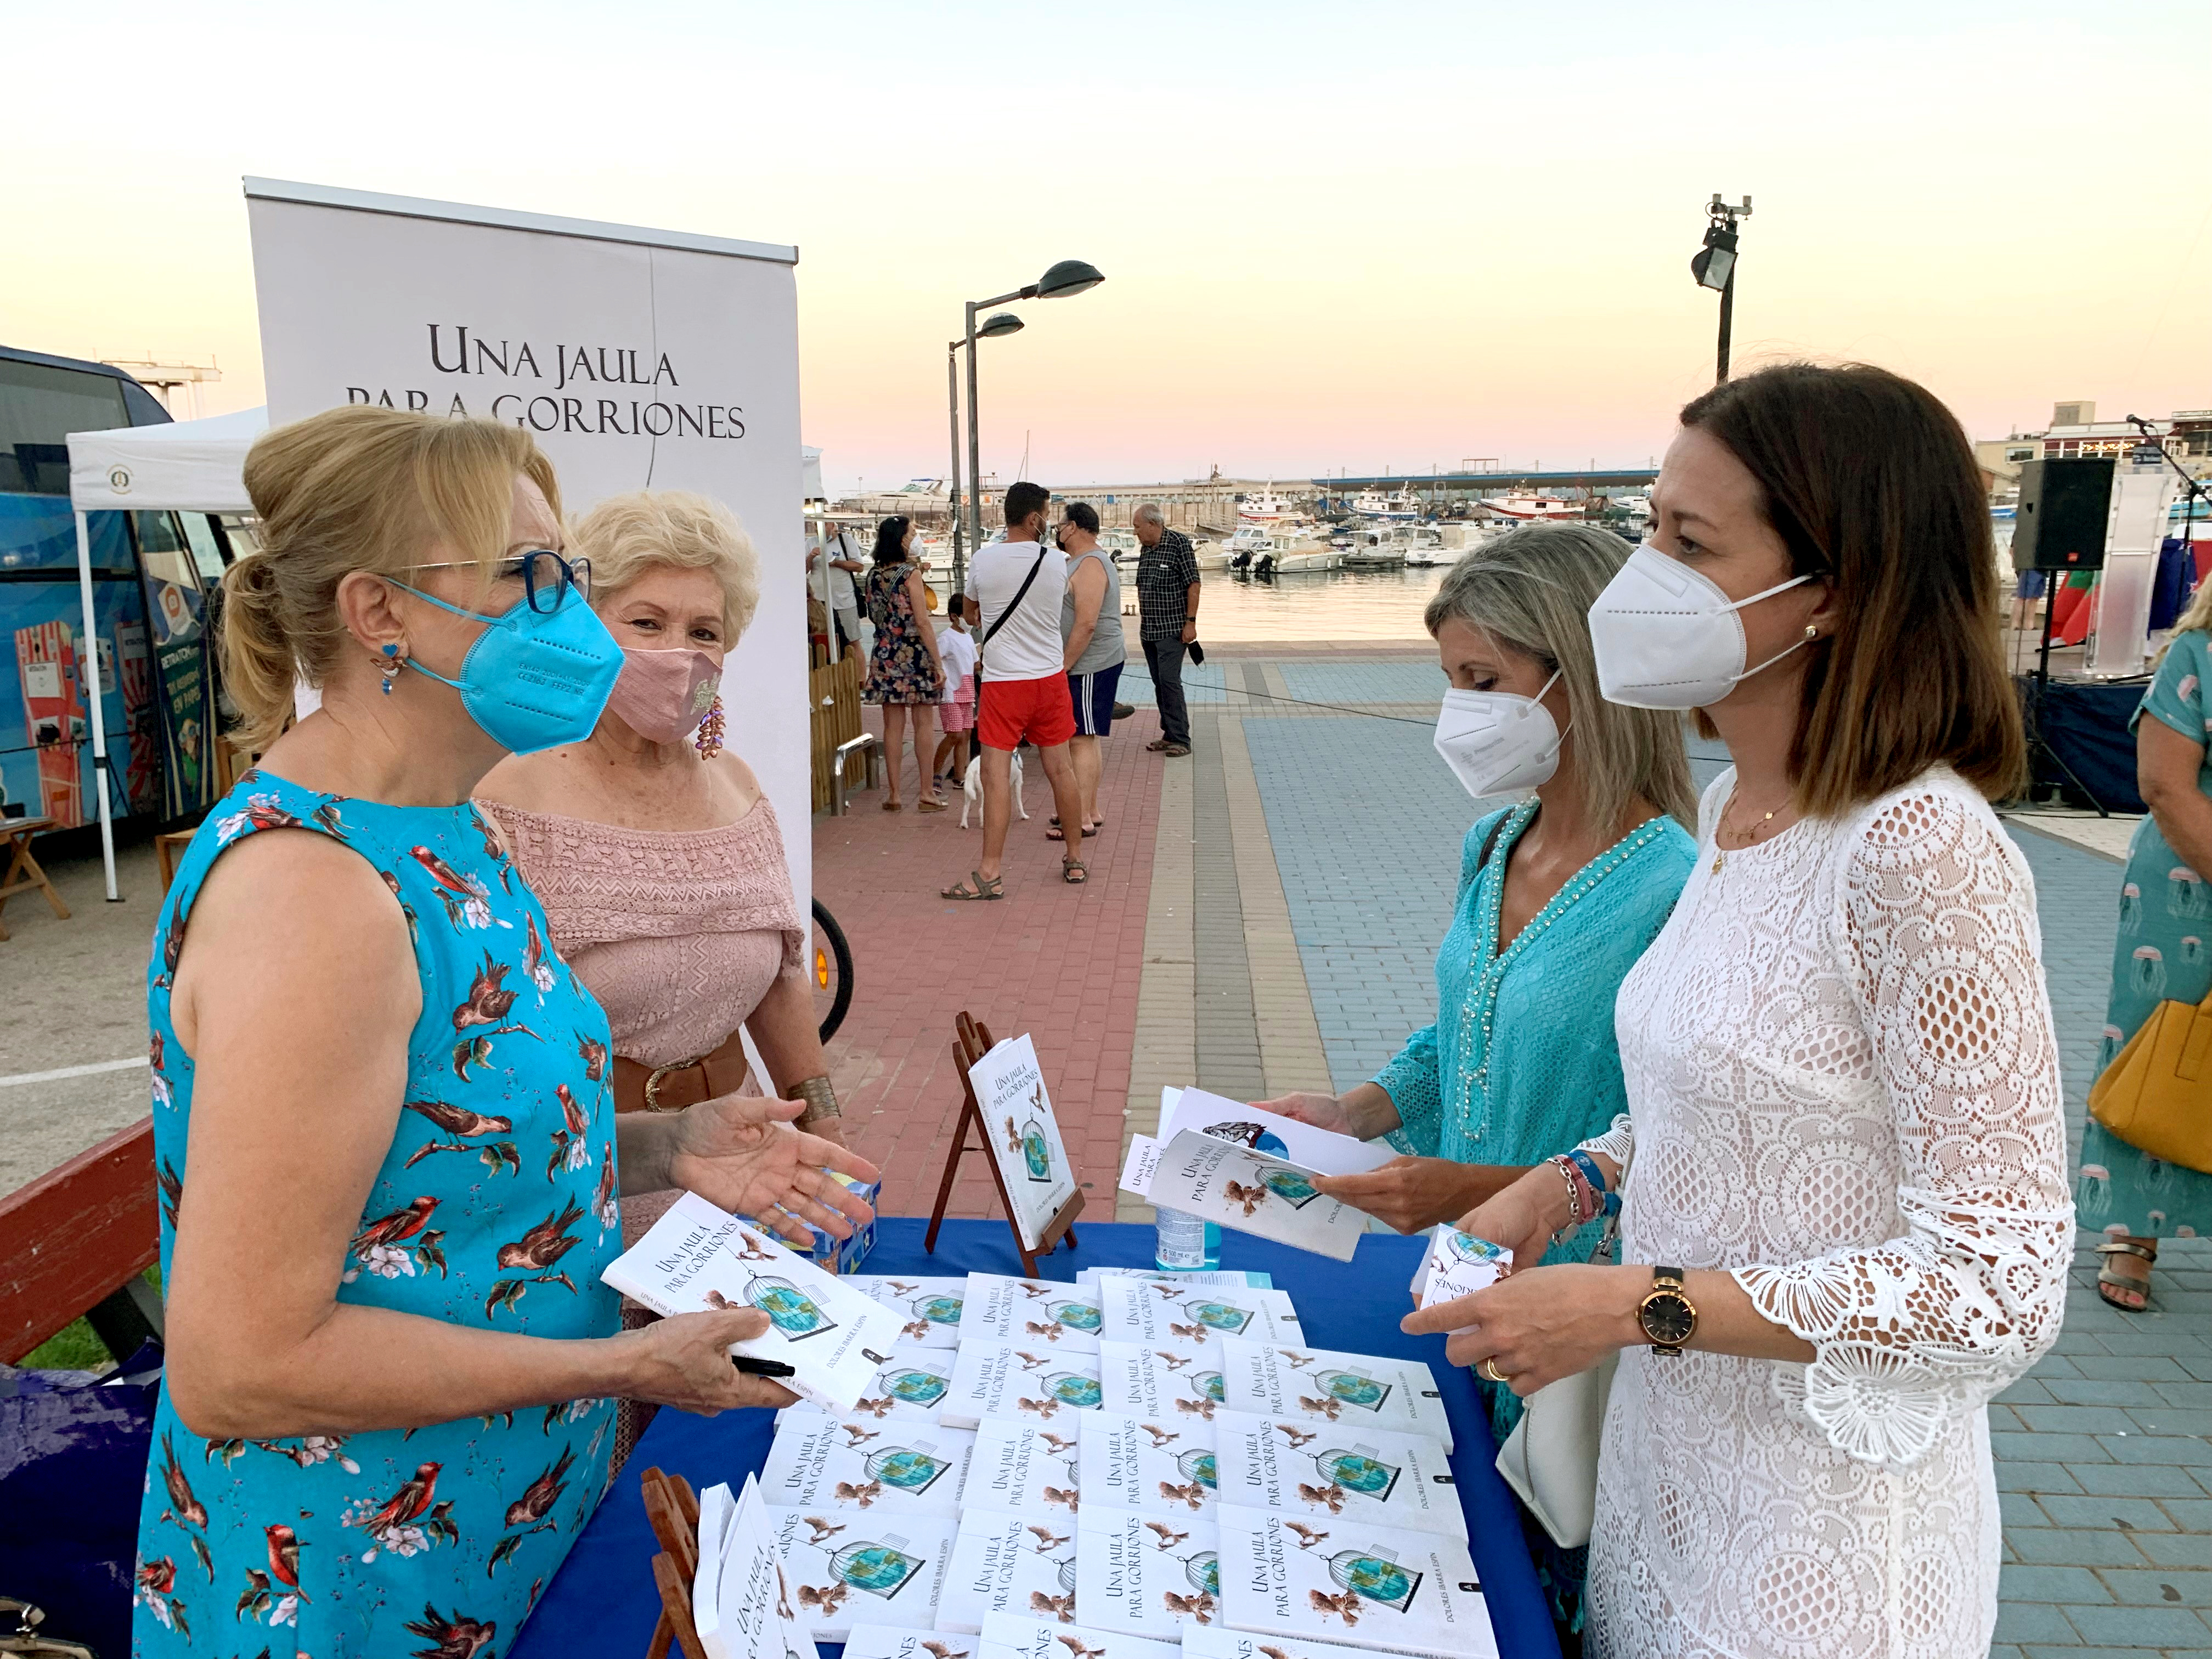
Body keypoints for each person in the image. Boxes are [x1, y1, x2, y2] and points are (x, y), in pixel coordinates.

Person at [137, 407, 876, 1651]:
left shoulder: (450, 827)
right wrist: (620, 1368)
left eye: (569, 574)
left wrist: (672, 1142)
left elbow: (439, 1149)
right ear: (380, 613)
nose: (569, 615)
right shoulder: (313, 897)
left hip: (506, 1523)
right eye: (529, 576)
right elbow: (242, 1363)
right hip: (353, 1578)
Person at [1407, 363, 2070, 1658]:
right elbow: (1724, 1094)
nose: (1640, 579)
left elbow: (1999, 1288)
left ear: (1836, 590)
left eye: (1691, 543)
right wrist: (1570, 1183)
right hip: (1670, 1491)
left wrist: (1630, 1303)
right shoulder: (1732, 812)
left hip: (1822, 1560)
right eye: (1650, 528)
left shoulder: (1920, 851)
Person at [1256, 523, 1696, 1633]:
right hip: (1461, 1292)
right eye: (1450, 679)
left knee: (1545, 1583)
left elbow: (1672, 1144)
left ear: (1580, 675)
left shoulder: (1678, 888)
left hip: (1572, 1330)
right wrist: (1355, 1108)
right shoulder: (1495, 842)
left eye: (1483, 680)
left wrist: (1468, 1187)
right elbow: (1465, 1026)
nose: (1459, 710)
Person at [2078, 580, 2212, 1308]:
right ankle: (2132, 1233)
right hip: (2189, 887)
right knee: (2160, 1046)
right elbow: (2164, 785)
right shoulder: (2197, 656)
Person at [943, 482, 1089, 898]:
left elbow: (970, 613)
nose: (1051, 523)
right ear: (1033, 518)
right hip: (1049, 680)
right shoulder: (1058, 561)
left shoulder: (983, 561)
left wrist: (984, 612)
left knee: (995, 776)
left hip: (1004, 683)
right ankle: (1075, 859)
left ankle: (990, 873)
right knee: (1061, 770)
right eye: (1048, 514)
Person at [858, 515, 948, 812]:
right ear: (901, 539)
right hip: (916, 655)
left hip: (885, 654)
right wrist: (938, 663)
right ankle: (926, 792)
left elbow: (873, 615)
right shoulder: (911, 574)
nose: (914, 538)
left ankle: (894, 794)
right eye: (911, 533)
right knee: (923, 725)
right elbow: (923, 622)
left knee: (892, 727)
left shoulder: (873, 575)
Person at [1057, 501, 1126, 841]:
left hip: (1090, 663)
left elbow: (1086, 623)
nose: (1057, 531)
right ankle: (1090, 809)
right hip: (1091, 663)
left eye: (1060, 525)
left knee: (1080, 738)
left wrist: (1065, 665)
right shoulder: (1079, 562)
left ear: (1073, 527)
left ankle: (1080, 817)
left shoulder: (1090, 564)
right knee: (1088, 736)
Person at [1132, 503, 1199, 757]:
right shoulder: (1146, 549)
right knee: (1160, 683)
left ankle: (1181, 739)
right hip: (1149, 630)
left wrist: (1190, 622)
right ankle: (1169, 734)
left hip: (1172, 629)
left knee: (1170, 683)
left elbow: (1194, 584)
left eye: (1138, 527)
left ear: (1153, 524)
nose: (1136, 533)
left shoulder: (1178, 544)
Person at [931, 603, 978, 791]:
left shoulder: (968, 638)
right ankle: (935, 775)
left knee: (965, 734)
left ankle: (960, 776)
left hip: (967, 691)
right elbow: (935, 660)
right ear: (954, 616)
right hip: (951, 692)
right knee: (954, 734)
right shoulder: (945, 638)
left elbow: (975, 664)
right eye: (966, 615)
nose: (970, 620)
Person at [821, 520, 866, 658]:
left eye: (826, 524)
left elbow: (859, 566)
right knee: (822, 642)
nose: (822, 528)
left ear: (832, 525)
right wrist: (811, 556)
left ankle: (858, 672)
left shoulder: (845, 540)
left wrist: (837, 563)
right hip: (820, 604)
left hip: (845, 601)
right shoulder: (810, 543)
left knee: (852, 641)